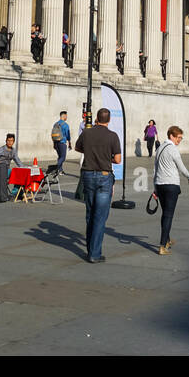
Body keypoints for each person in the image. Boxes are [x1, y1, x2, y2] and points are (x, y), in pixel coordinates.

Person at [76, 108, 121, 263]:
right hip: (104, 176)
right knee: (100, 216)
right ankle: (94, 254)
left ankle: (91, 248)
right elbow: (118, 159)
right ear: (108, 120)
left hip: (88, 175)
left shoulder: (87, 133)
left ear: (96, 118)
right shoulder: (113, 136)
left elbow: (77, 147)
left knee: (90, 213)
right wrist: (107, 156)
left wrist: (89, 151)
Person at [153, 126, 189, 255]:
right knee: (168, 215)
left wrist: (155, 187)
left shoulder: (159, 149)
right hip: (171, 185)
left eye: (181, 138)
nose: (179, 140)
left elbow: (155, 169)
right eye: (178, 137)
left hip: (160, 184)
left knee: (165, 213)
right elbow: (181, 166)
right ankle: (162, 245)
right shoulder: (173, 149)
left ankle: (167, 240)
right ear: (171, 136)